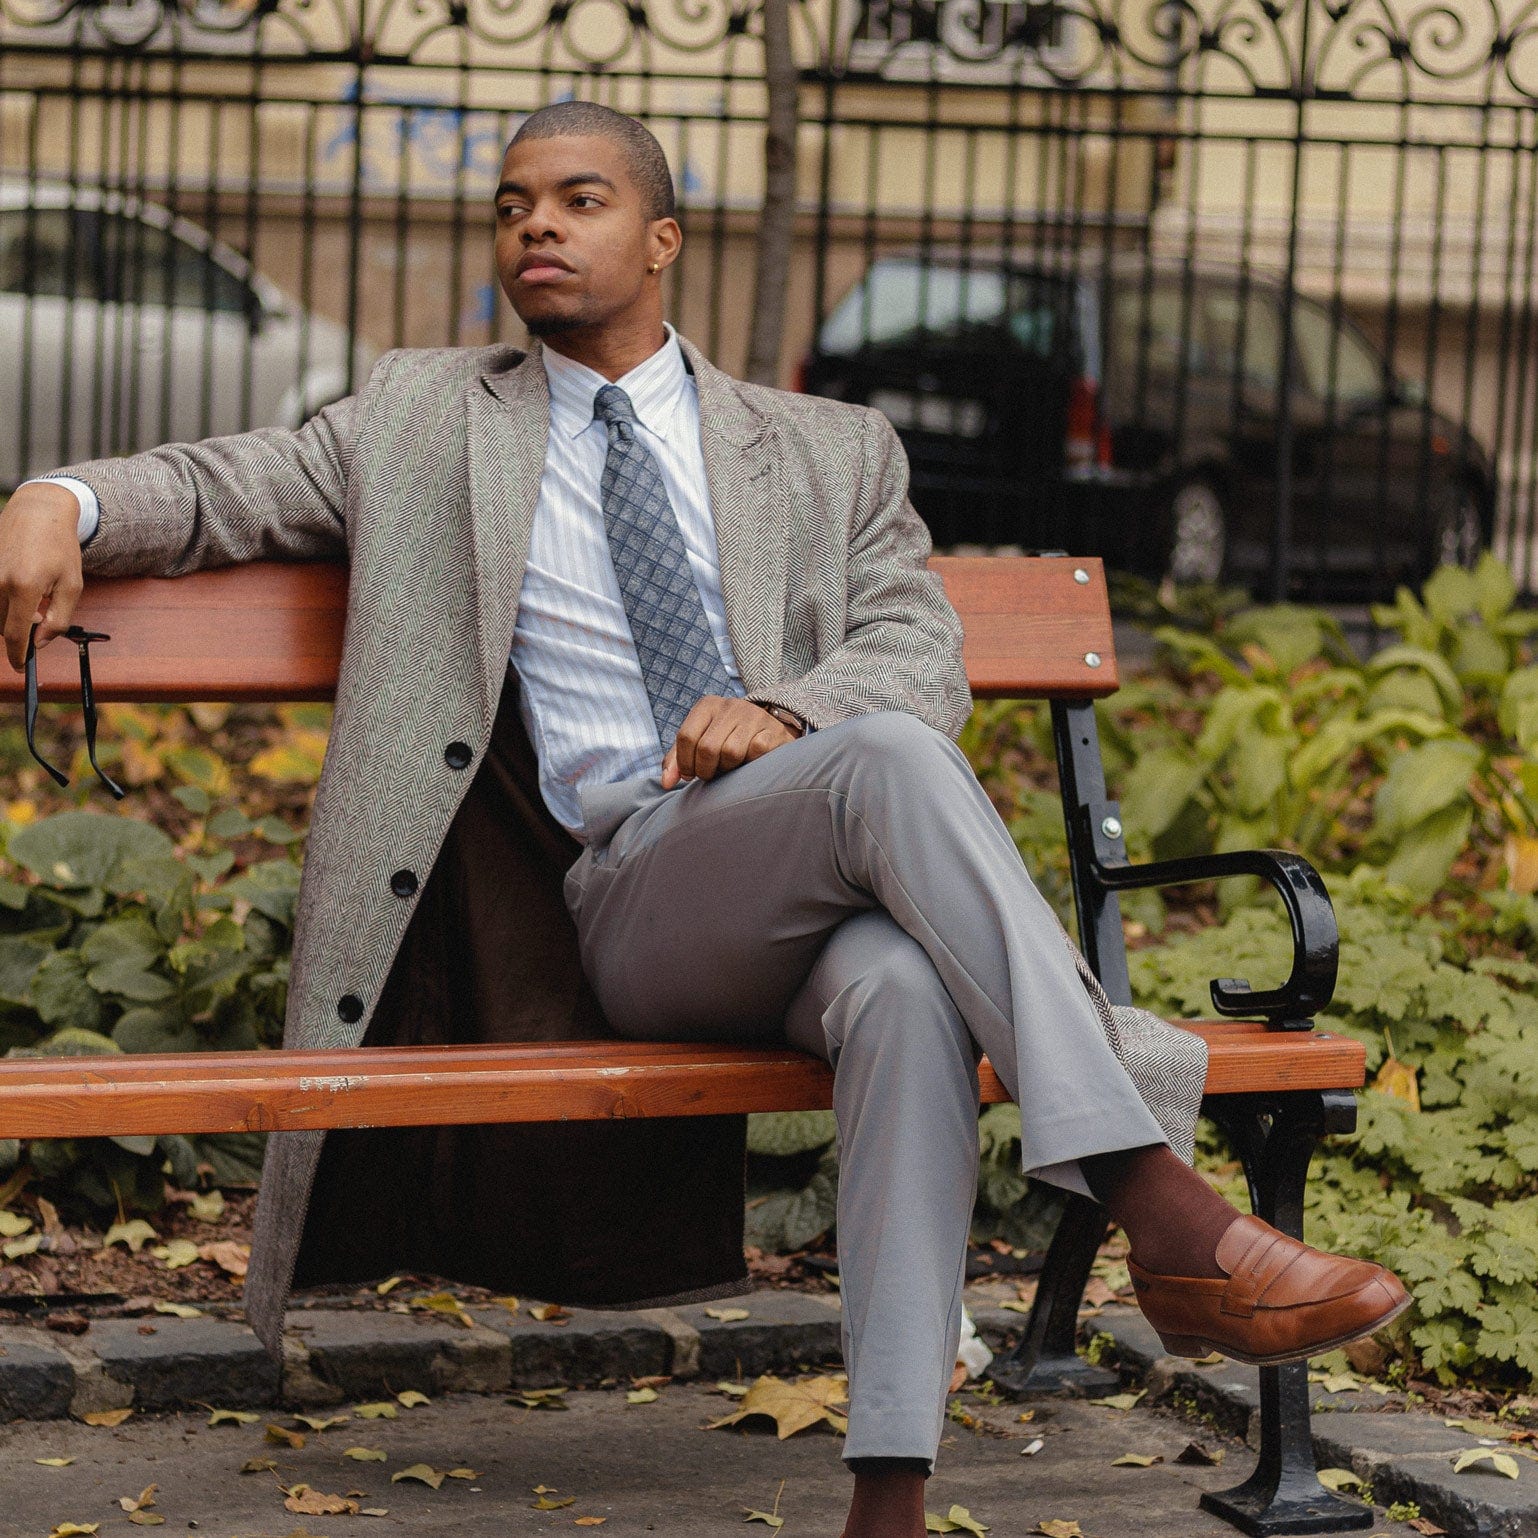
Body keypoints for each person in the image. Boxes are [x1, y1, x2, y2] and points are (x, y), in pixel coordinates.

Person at [0, 102, 1409, 1538]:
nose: (535, 224)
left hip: (805, 887)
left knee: (905, 984)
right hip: (628, 893)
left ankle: (887, 1498)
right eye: (509, 205)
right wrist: (58, 497)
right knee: (887, 767)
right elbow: (216, 487)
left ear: (662, 239)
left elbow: (918, 653)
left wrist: (786, 711)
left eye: (579, 198)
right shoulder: (423, 418)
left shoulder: (825, 449)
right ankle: (1161, 1209)